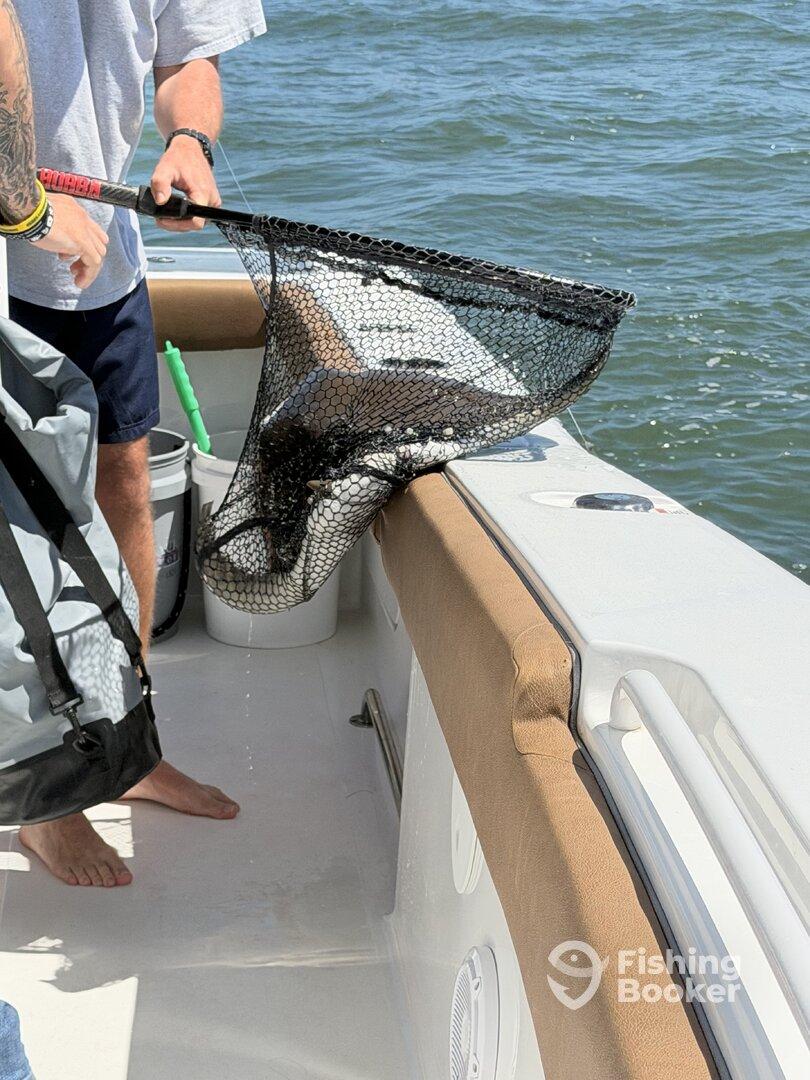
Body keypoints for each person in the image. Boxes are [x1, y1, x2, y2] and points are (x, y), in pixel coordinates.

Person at [1, 0, 266, 887]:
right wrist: (30, 212)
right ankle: (46, 796)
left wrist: (189, 140)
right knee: (14, 527)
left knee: (124, 480)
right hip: (13, 247)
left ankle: (122, 748)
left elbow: (186, 58)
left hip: (100, 264)